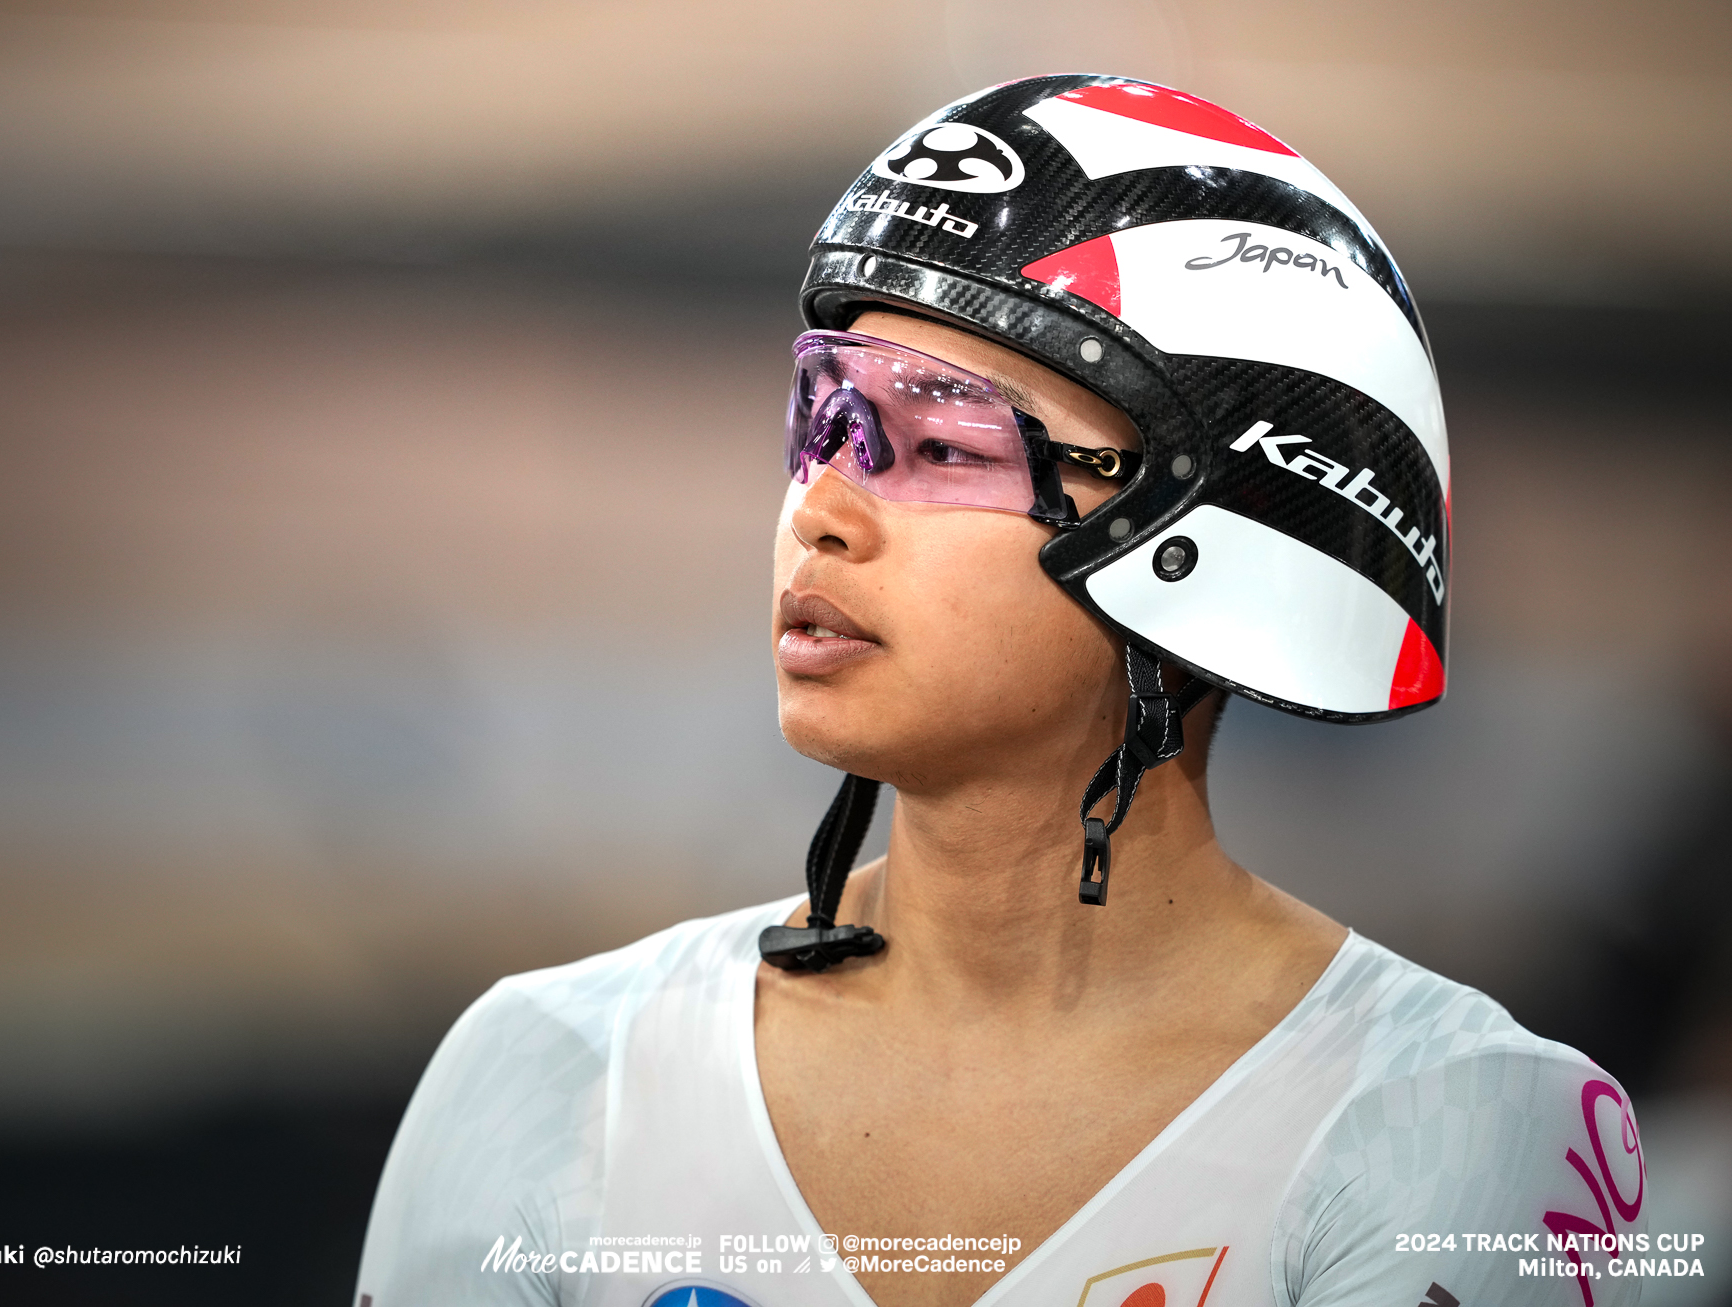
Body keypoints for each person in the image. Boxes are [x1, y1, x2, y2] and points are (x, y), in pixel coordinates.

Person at [354, 76, 1646, 1307]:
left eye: (941, 443)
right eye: (823, 422)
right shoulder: (545, 1071)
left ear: (1217, 539)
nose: (822, 514)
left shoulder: (1468, 1126)